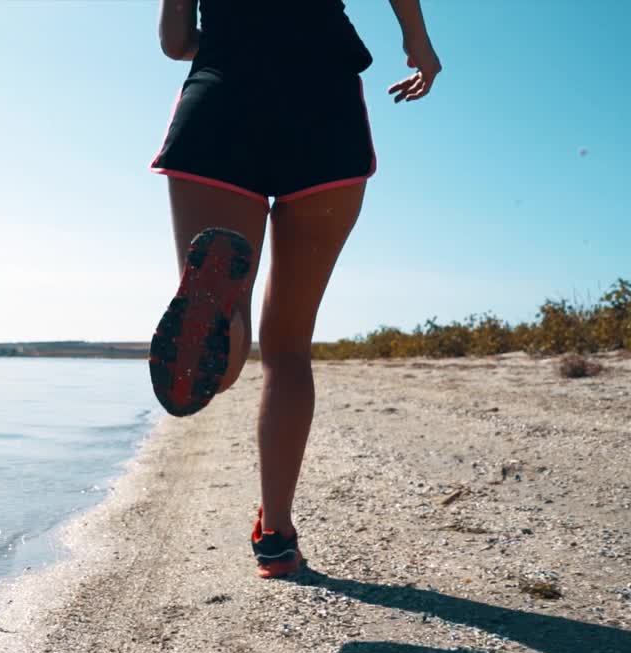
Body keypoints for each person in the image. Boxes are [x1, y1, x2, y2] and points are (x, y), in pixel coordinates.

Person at [147, 0, 441, 578]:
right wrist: (418, 44)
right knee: (288, 348)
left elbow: (177, 41)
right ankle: (276, 536)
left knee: (228, 319)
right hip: (322, 107)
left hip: (221, 104)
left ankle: (219, 318)